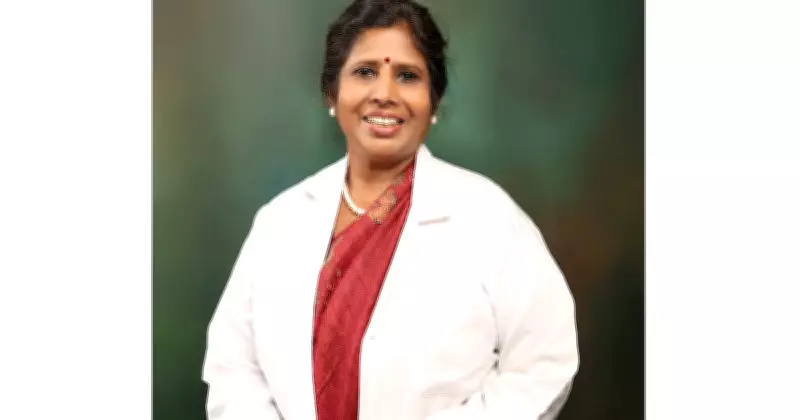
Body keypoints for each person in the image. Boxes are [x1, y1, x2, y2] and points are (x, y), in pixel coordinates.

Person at [201, 0, 579, 419]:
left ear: (433, 101)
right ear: (332, 93)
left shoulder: (489, 217)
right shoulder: (280, 221)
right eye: (365, 72)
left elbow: (544, 364)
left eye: (407, 76)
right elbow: (234, 367)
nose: (384, 94)